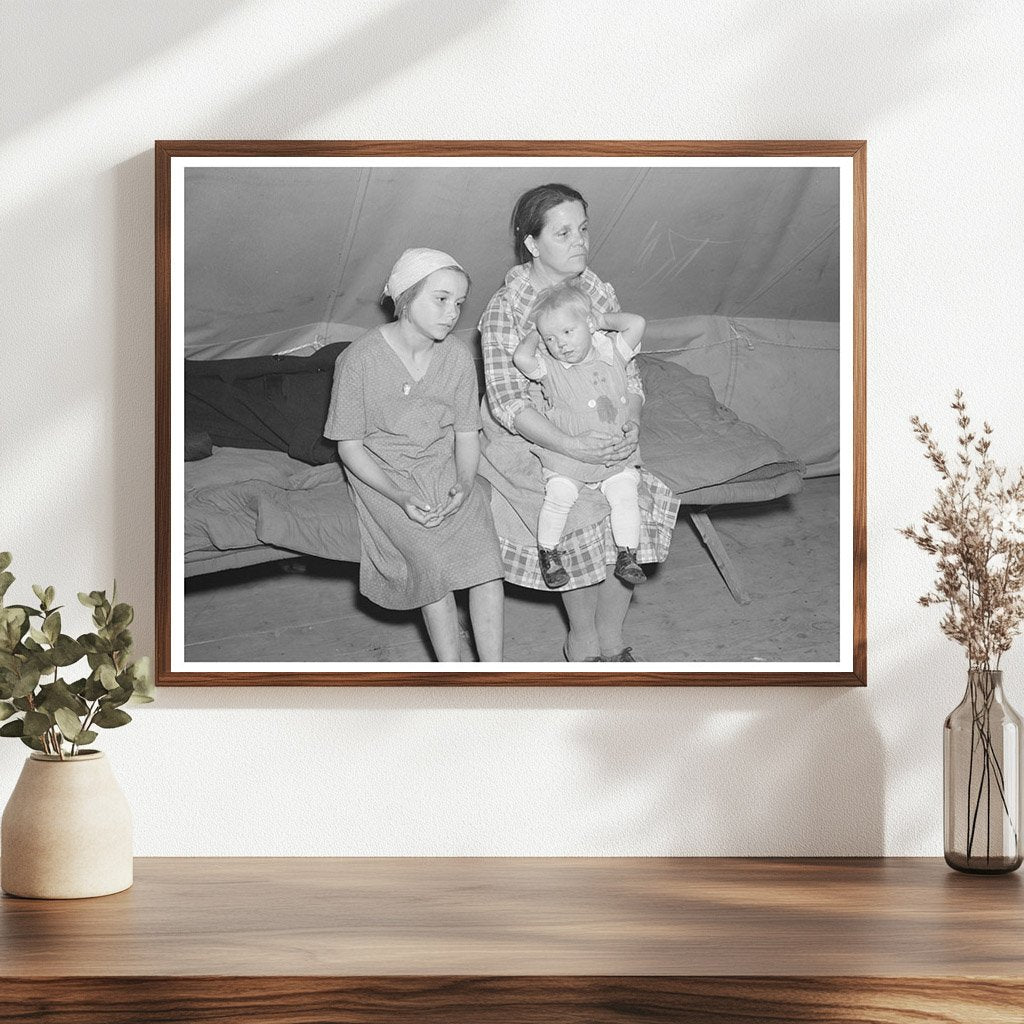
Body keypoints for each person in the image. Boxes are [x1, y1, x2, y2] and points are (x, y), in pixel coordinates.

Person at [478, 184, 679, 662]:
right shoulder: (506, 308)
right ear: (532, 243)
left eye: (583, 229)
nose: (580, 242)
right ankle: (582, 637)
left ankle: (612, 634)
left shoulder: (596, 290)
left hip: (602, 422)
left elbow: (626, 368)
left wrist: (630, 416)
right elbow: (508, 403)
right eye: (563, 232)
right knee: (575, 513)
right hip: (531, 436)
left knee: (630, 503)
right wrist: (571, 445)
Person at [324, 248, 504, 662]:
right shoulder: (359, 361)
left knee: (486, 565)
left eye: (458, 303)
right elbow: (349, 448)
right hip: (385, 475)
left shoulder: (457, 357)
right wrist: (400, 497)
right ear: (405, 298)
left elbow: (466, 435)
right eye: (440, 299)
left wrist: (463, 481)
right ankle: (453, 673)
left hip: (443, 467)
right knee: (431, 566)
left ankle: (494, 674)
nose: (452, 312)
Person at [512, 282, 647, 589]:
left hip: (614, 451)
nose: (560, 343)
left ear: (588, 325)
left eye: (568, 332)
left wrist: (600, 320)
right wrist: (538, 331)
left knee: (625, 493)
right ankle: (549, 553)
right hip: (568, 456)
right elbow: (521, 358)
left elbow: (637, 323)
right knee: (559, 494)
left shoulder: (613, 353)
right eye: (551, 338)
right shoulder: (549, 367)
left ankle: (627, 554)